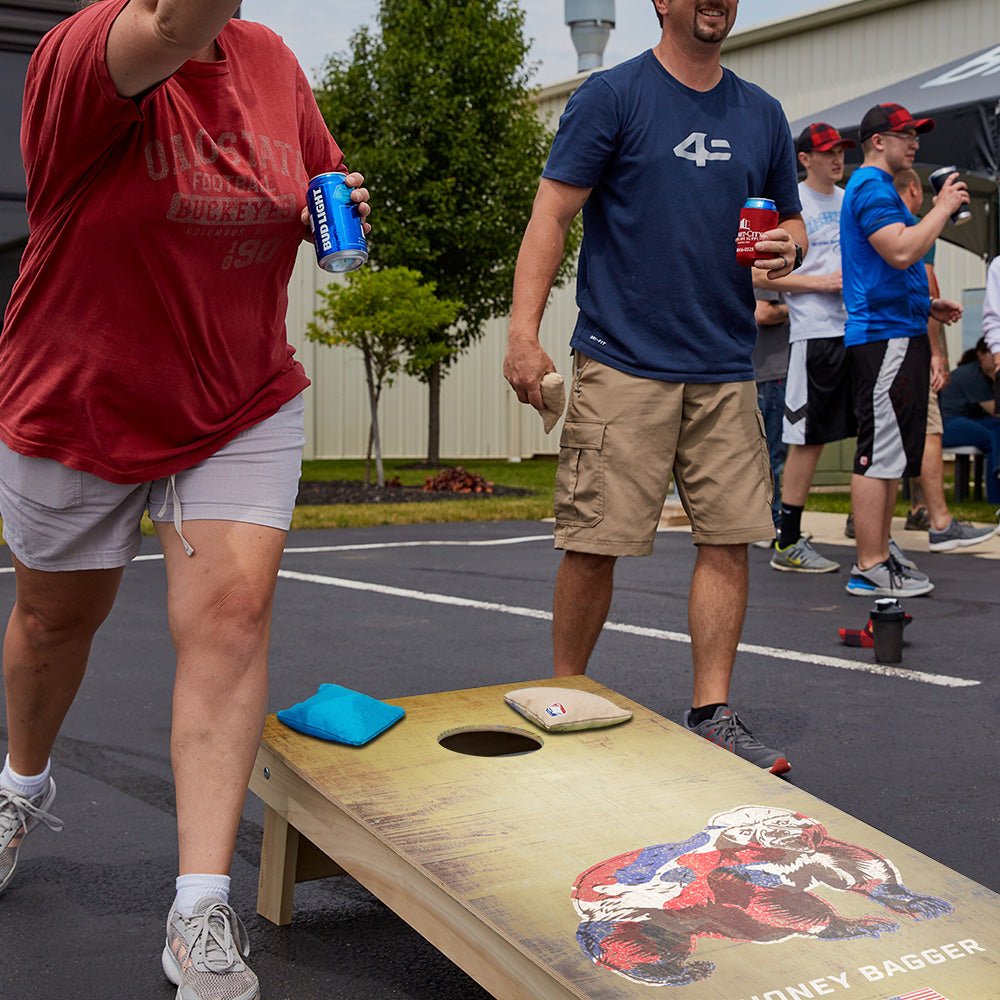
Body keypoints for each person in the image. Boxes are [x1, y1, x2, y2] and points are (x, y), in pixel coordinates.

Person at [0, 3, 370, 999]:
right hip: (82, 395)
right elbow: (170, 21)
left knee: (231, 615)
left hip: (238, 396)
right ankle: (20, 784)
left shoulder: (271, 62)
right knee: (52, 618)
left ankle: (198, 905)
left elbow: (313, 178)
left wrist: (324, 203)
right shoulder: (87, 51)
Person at [504, 0, 805, 774]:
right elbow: (552, 215)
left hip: (724, 364)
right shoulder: (613, 96)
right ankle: (562, 697)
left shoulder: (762, 113)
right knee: (594, 542)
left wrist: (785, 244)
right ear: (661, 2)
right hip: (622, 358)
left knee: (729, 539)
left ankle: (713, 712)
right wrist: (522, 332)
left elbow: (792, 226)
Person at [840, 103, 966, 598]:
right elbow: (899, 250)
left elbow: (890, 263)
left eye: (917, 134)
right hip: (883, 336)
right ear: (877, 141)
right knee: (879, 452)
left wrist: (926, 304)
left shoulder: (880, 191)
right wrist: (942, 206)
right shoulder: (871, 187)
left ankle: (881, 551)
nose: (914, 142)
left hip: (899, 328)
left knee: (891, 453)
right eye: (904, 134)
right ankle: (869, 564)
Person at [765, 123, 856, 575]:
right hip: (813, 334)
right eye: (827, 152)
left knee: (875, 433)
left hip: (858, 330)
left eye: (841, 151)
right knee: (808, 439)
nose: (837, 159)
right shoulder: (793, 205)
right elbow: (762, 277)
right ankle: (788, 540)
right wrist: (820, 282)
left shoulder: (851, 199)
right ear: (805, 158)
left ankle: (871, 533)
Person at [891, 169, 993, 551]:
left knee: (889, 430)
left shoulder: (877, 224)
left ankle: (905, 511)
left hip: (876, 339)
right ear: (916, 190)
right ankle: (940, 522)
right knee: (929, 429)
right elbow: (927, 286)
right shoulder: (918, 226)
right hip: (910, 338)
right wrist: (937, 354)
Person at [940, 338, 1000, 505]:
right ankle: (995, 495)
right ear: (981, 355)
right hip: (947, 423)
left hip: (967, 421)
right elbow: (996, 410)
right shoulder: (972, 375)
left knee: (996, 429)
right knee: (992, 438)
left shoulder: (985, 375)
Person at [751, 283, 790, 541]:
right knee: (771, 454)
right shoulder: (767, 270)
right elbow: (763, 312)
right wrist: (799, 304)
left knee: (770, 453)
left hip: (770, 371)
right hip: (771, 372)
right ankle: (770, 522)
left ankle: (767, 521)